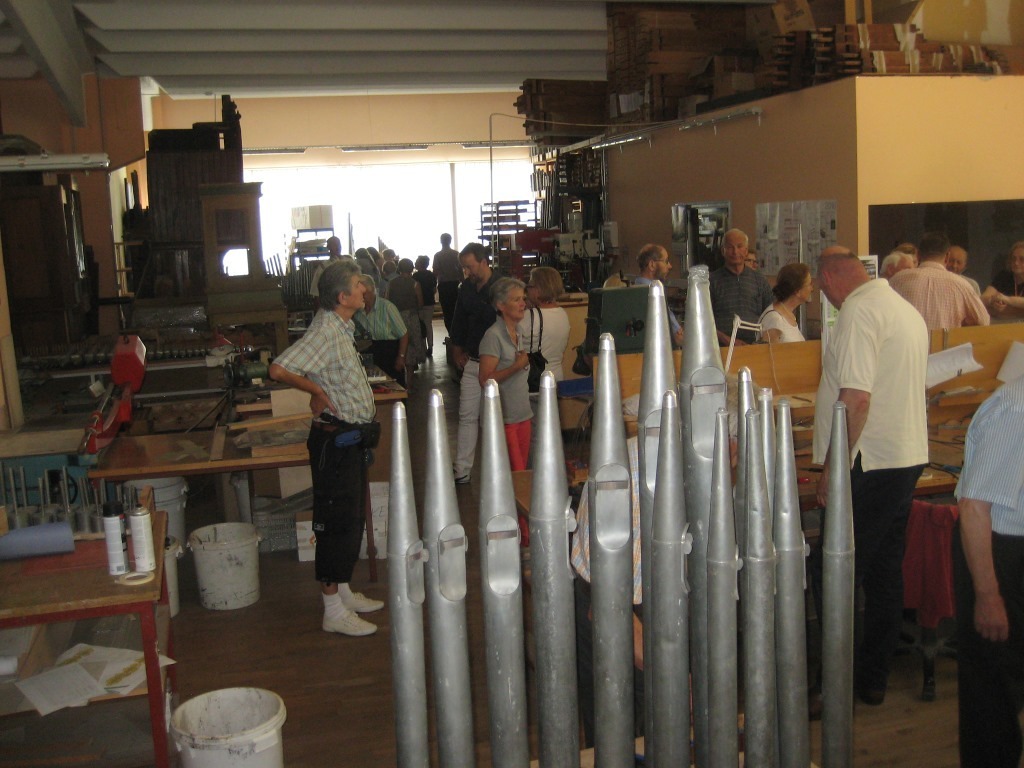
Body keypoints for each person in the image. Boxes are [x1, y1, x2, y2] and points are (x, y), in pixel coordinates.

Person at [811, 246, 929, 706]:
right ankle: (872, 679)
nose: (826, 298)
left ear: (829, 278)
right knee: (882, 572)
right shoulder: (903, 309)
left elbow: (856, 399)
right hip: (904, 455)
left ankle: (833, 683)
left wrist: (833, 470)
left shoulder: (859, 313)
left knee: (833, 570)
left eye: (822, 289)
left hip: (869, 460)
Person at [268, 260, 384, 637]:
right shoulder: (325, 331)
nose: (364, 289)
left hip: (349, 439)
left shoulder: (340, 326)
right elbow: (278, 369)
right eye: (358, 284)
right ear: (342, 296)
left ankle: (343, 593)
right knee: (335, 524)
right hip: (334, 443)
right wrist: (316, 390)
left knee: (349, 521)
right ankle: (332, 610)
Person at [953, 375, 1024, 767]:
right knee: (993, 694)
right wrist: (988, 596)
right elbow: (973, 508)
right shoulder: (1017, 407)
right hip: (996, 554)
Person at [450, 242, 499, 485]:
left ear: (483, 262)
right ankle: (462, 469)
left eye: (469, 267)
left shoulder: (502, 287)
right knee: (467, 416)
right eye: (464, 268)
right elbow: (458, 320)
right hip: (472, 360)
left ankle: (497, 469)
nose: (466, 272)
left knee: (497, 418)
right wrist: (457, 349)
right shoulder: (466, 289)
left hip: (498, 363)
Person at [478, 277, 533, 478]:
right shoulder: (493, 336)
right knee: (515, 474)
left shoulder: (519, 331)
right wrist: (516, 366)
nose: (522, 304)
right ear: (501, 305)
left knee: (522, 472)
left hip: (523, 414)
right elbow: (485, 380)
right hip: (504, 417)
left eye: (523, 298)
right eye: (516, 299)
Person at [889, 231, 989, 330]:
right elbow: (983, 321)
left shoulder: (897, 280)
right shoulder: (961, 285)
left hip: (909, 340)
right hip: (946, 340)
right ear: (947, 257)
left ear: (918, 255)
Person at [709, 228, 773, 346]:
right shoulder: (711, 281)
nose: (735, 252)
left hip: (754, 346)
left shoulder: (759, 280)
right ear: (723, 251)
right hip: (722, 347)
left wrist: (761, 341)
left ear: (746, 250)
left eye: (739, 246)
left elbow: (771, 314)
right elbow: (704, 320)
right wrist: (728, 340)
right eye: (730, 247)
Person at [354, 275, 409, 387]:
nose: (361, 297)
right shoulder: (357, 311)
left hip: (388, 354)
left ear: (372, 290)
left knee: (393, 387)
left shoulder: (387, 307)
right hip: (368, 355)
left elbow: (404, 334)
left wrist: (401, 357)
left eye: (363, 293)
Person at [519, 266, 570, 382]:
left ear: (538, 289)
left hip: (534, 379)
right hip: (557, 376)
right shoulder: (563, 314)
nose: (527, 291)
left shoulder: (529, 316)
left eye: (529, 286)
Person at [633, 243, 684, 347]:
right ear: (652, 265)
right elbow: (677, 338)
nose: (670, 266)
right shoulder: (652, 295)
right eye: (666, 261)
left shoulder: (635, 291)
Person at [384, 258, 425, 387]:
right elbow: (420, 303)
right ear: (411, 268)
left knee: (398, 346)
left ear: (399, 269)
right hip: (411, 317)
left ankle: (398, 379)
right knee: (411, 348)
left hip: (395, 317)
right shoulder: (415, 284)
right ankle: (410, 381)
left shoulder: (391, 283)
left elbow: (386, 300)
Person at [757, 261, 812, 343]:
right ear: (797, 291)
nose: (812, 288)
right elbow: (769, 350)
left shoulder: (789, 315)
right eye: (809, 284)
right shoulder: (774, 319)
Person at [982, 241, 1024, 320]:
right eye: (1013, 259)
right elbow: (983, 298)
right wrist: (993, 301)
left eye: (1022, 259)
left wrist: (1007, 300)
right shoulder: (1004, 276)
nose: (1016, 263)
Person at [434, 233, 463, 332]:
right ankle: (457, 332)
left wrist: (434, 285)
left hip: (444, 286)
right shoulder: (456, 254)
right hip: (455, 285)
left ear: (441, 241)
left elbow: (435, 272)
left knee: (446, 311)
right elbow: (460, 271)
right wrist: (464, 284)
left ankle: (450, 332)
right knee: (456, 309)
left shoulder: (438, 255)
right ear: (450, 241)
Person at [413, 255, 438, 356]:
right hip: (429, 302)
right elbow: (434, 289)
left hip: (418, 303)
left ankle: (423, 346)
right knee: (428, 324)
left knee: (420, 325)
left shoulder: (415, 276)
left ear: (419, 264)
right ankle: (430, 346)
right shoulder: (431, 275)